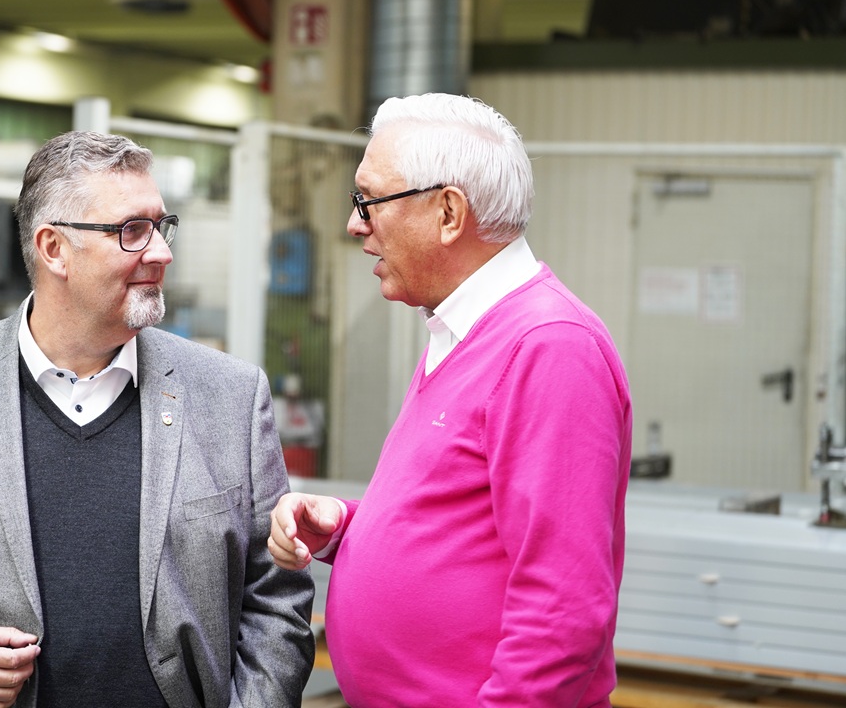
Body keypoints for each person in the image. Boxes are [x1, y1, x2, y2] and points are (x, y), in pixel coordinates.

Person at [0, 131, 315, 708]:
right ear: (53, 249)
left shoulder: (229, 395)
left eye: (161, 224)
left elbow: (276, 597)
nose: (161, 252)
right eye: (132, 230)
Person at [269, 93, 632, 707]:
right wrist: (347, 529)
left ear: (447, 213)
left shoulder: (548, 348)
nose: (356, 223)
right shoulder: (465, 332)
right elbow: (463, 521)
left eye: (369, 201)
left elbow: (563, 611)